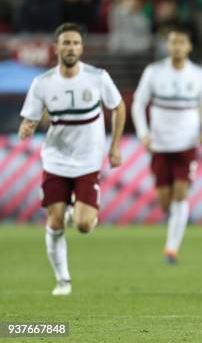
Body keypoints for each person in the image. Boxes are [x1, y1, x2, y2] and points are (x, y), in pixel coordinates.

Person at [18, 22, 125, 295]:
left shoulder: (97, 77)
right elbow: (29, 118)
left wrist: (114, 147)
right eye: (66, 43)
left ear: (82, 48)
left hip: (88, 162)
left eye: (76, 43)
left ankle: (77, 211)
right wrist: (26, 127)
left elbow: (118, 106)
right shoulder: (42, 83)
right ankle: (63, 279)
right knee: (54, 222)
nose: (71, 48)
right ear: (56, 48)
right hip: (55, 160)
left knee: (84, 225)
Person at [131, 27, 202, 264]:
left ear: (188, 46)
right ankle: (176, 223)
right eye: (173, 43)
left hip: (187, 144)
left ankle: (171, 249)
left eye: (181, 43)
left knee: (181, 193)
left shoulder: (198, 75)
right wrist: (143, 134)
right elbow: (138, 104)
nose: (177, 47)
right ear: (168, 46)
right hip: (160, 143)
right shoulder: (154, 72)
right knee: (164, 200)